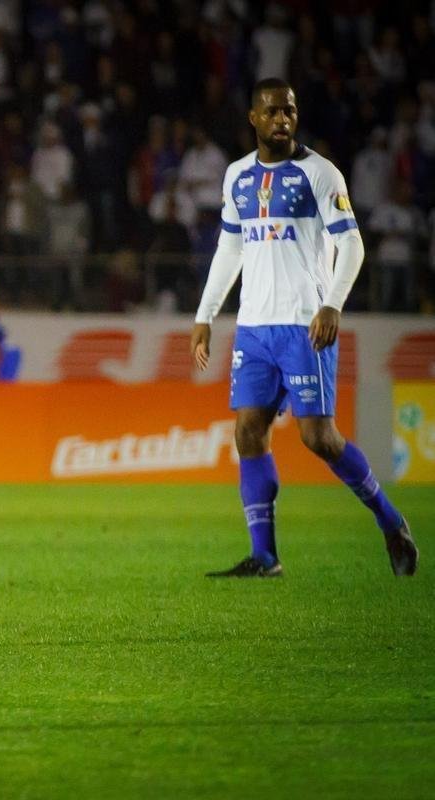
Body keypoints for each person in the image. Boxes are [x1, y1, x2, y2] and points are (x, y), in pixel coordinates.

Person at [190, 78, 417, 578]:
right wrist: (205, 315)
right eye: (271, 111)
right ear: (253, 118)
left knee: (319, 438)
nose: (282, 119)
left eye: (289, 110)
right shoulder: (237, 177)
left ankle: (390, 520)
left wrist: (332, 304)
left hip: (302, 324)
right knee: (248, 432)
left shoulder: (321, 174)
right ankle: (265, 556)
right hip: (253, 327)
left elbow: (352, 245)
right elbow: (231, 249)